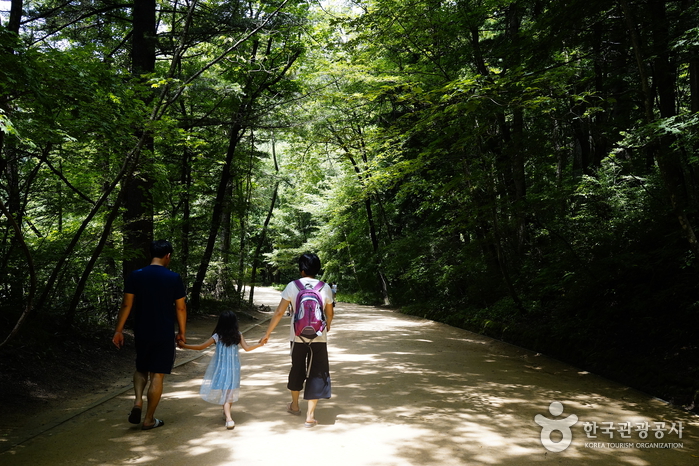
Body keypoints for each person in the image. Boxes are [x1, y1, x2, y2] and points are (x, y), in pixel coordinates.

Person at [112, 240, 187, 430]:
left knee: (141, 368)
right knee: (157, 375)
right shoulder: (174, 278)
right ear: (168, 255)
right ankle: (149, 419)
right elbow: (180, 307)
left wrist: (118, 331)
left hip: (142, 331)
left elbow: (126, 305)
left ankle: (137, 401)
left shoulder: (136, 276)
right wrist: (182, 333)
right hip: (163, 332)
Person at [259, 253, 334, 428]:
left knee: (297, 369)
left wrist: (267, 333)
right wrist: (327, 326)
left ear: (301, 269)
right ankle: (310, 415)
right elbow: (329, 313)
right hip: (319, 338)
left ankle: (294, 406)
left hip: (297, 337)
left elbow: (279, 312)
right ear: (317, 269)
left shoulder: (293, 286)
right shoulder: (325, 287)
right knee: (317, 372)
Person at [177, 311, 264, 429]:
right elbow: (247, 348)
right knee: (229, 394)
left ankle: (226, 412)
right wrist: (259, 344)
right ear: (234, 323)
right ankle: (229, 418)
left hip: (221, 369)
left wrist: (185, 345)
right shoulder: (237, 335)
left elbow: (201, 347)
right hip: (233, 369)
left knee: (227, 393)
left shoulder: (218, 336)